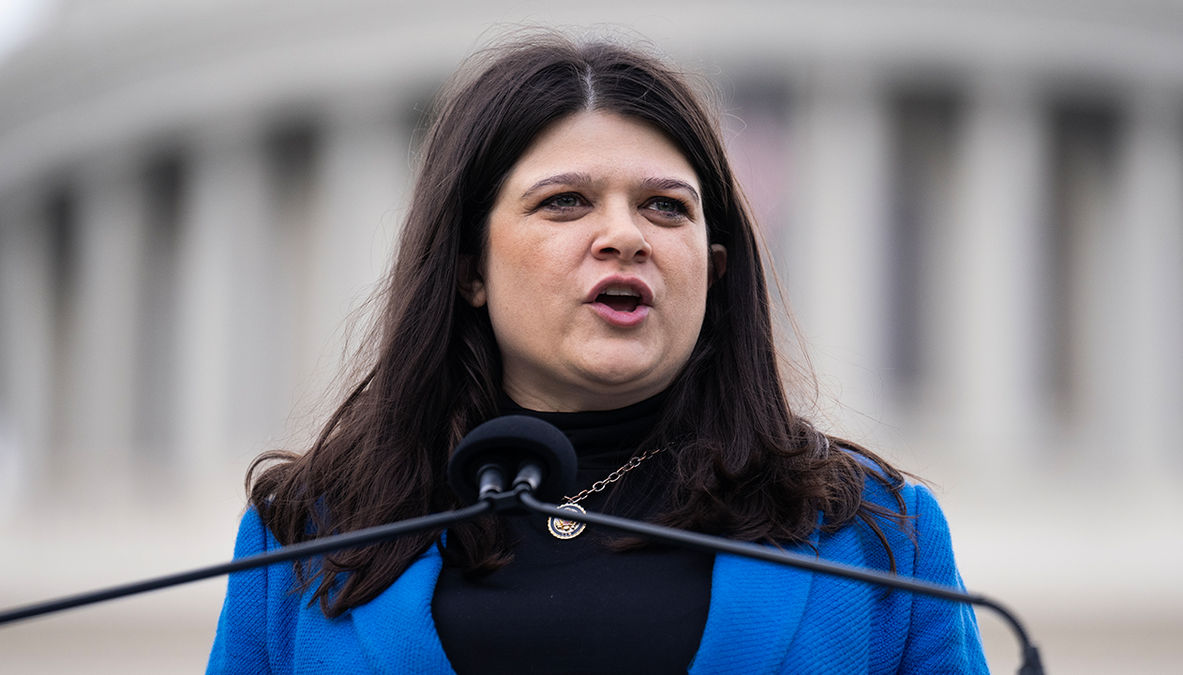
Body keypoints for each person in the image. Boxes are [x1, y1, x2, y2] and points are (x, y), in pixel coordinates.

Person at [206, 30, 988, 675]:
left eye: (665, 207)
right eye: (566, 202)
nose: (624, 235)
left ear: (714, 270)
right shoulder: (307, 539)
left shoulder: (877, 539)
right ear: (470, 267)